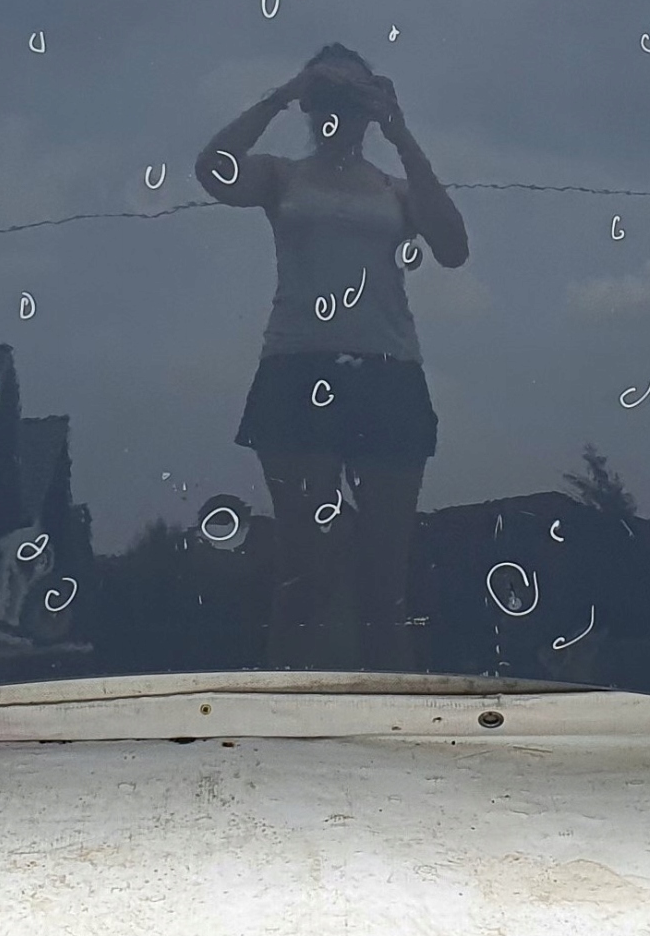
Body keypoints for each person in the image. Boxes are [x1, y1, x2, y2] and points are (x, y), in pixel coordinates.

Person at [195, 44, 468, 669]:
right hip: (298, 368)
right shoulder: (282, 177)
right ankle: (289, 709)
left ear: (369, 108)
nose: (337, 110)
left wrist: (401, 132)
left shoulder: (395, 188)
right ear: (309, 105)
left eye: (351, 97)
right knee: (305, 571)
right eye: (326, 97)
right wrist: (283, 93)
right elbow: (213, 170)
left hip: (388, 371)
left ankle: (388, 713)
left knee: (384, 581)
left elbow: (453, 247)